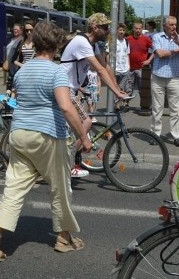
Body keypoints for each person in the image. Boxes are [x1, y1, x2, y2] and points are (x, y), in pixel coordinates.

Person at [0, 22, 93, 262]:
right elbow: (64, 106)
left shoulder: (23, 71)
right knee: (60, 186)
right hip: (47, 135)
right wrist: (83, 135)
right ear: (57, 45)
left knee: (14, 188)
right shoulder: (56, 71)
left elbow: (21, 99)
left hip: (19, 134)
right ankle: (63, 237)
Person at [59, 13, 130, 178]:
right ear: (94, 27)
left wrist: (118, 89)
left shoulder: (92, 45)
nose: (108, 31)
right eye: (105, 27)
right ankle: (65, 163)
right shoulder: (82, 42)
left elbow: (105, 67)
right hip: (64, 89)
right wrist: (116, 93)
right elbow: (98, 69)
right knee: (86, 122)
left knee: (76, 126)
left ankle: (63, 158)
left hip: (72, 90)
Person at [150, 16, 179, 146]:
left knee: (175, 109)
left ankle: (176, 136)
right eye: (171, 25)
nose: (174, 27)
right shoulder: (157, 37)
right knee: (157, 109)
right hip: (158, 77)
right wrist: (176, 50)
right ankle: (155, 135)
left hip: (174, 77)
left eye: (175, 25)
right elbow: (160, 54)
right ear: (164, 26)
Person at [125, 21, 153, 100]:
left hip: (142, 68)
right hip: (129, 68)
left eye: (139, 29)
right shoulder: (128, 39)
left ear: (142, 29)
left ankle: (144, 106)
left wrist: (149, 60)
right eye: (136, 28)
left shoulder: (146, 39)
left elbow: (155, 50)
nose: (138, 30)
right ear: (133, 29)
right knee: (128, 88)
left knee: (143, 89)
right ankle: (126, 104)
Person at [3, 23, 23, 96]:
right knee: (10, 82)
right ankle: (9, 100)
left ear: (21, 30)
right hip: (10, 64)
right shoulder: (12, 39)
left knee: (14, 82)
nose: (15, 31)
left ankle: (13, 99)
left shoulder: (22, 40)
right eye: (14, 29)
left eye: (17, 29)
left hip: (16, 64)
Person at [114, 23, 130, 95]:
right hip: (115, 69)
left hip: (124, 70)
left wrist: (128, 67)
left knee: (121, 88)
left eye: (123, 30)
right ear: (117, 31)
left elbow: (127, 55)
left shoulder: (126, 41)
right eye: (120, 30)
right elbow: (107, 55)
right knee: (114, 88)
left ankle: (118, 105)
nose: (122, 32)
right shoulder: (113, 41)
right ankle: (113, 105)